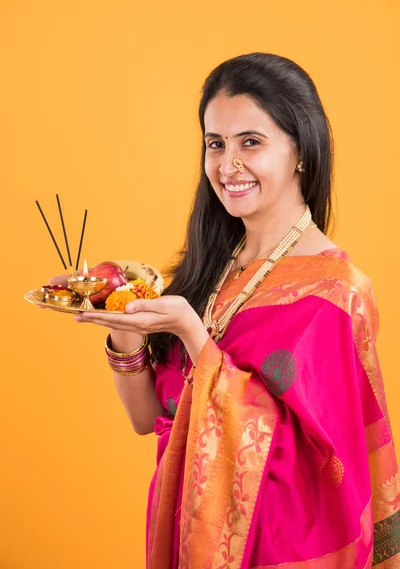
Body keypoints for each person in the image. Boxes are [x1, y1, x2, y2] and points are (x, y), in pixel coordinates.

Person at [56, 53, 399, 568]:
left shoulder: (335, 292)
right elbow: (149, 417)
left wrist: (196, 338)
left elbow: (321, 470)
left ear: (301, 150)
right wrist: (123, 328)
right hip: (183, 533)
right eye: (215, 144)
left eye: (251, 143)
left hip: (275, 551)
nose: (227, 165)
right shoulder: (209, 268)